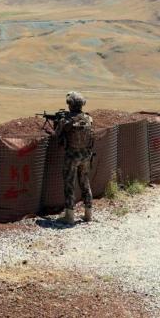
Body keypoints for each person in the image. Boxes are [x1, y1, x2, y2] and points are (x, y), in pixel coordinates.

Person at [55, 91, 94, 224]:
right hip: (86, 155)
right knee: (85, 182)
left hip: (72, 156)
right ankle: (88, 214)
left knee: (69, 184)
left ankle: (69, 216)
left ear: (70, 105)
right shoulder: (88, 119)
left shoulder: (66, 121)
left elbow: (57, 135)